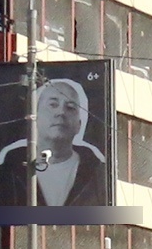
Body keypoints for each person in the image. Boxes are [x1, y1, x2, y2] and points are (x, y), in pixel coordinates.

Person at [29, 76, 108, 206]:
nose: (61, 112)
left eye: (70, 107)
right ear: (35, 117)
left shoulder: (100, 176)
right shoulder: (6, 175)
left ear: (79, 125)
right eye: (53, 105)